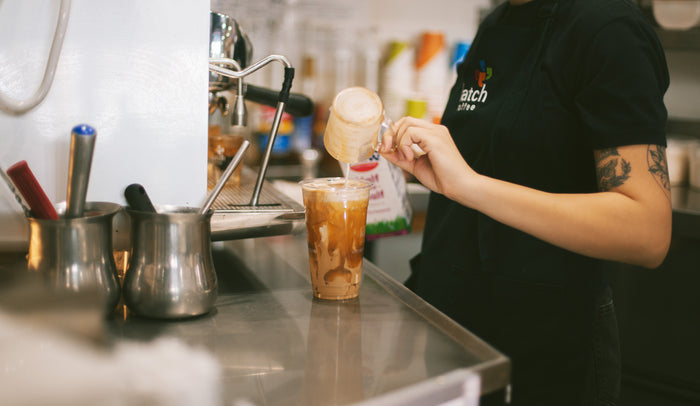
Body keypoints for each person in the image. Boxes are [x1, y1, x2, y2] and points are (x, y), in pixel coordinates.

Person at [379, 0, 671, 404]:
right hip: (459, 338)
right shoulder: (499, 21)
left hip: (546, 353)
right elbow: (488, 172)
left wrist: (471, 185)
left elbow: (647, 229)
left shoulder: (609, 29)